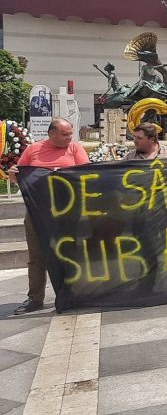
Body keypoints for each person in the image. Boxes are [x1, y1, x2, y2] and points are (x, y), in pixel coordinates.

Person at [8, 118, 89, 314]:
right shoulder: (33, 150)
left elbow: (87, 174)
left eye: (70, 133)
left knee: (69, 253)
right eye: (65, 134)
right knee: (36, 256)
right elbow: (19, 173)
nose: (69, 137)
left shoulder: (75, 149)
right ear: (51, 133)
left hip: (68, 212)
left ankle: (73, 293)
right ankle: (35, 298)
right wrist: (13, 174)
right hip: (37, 212)